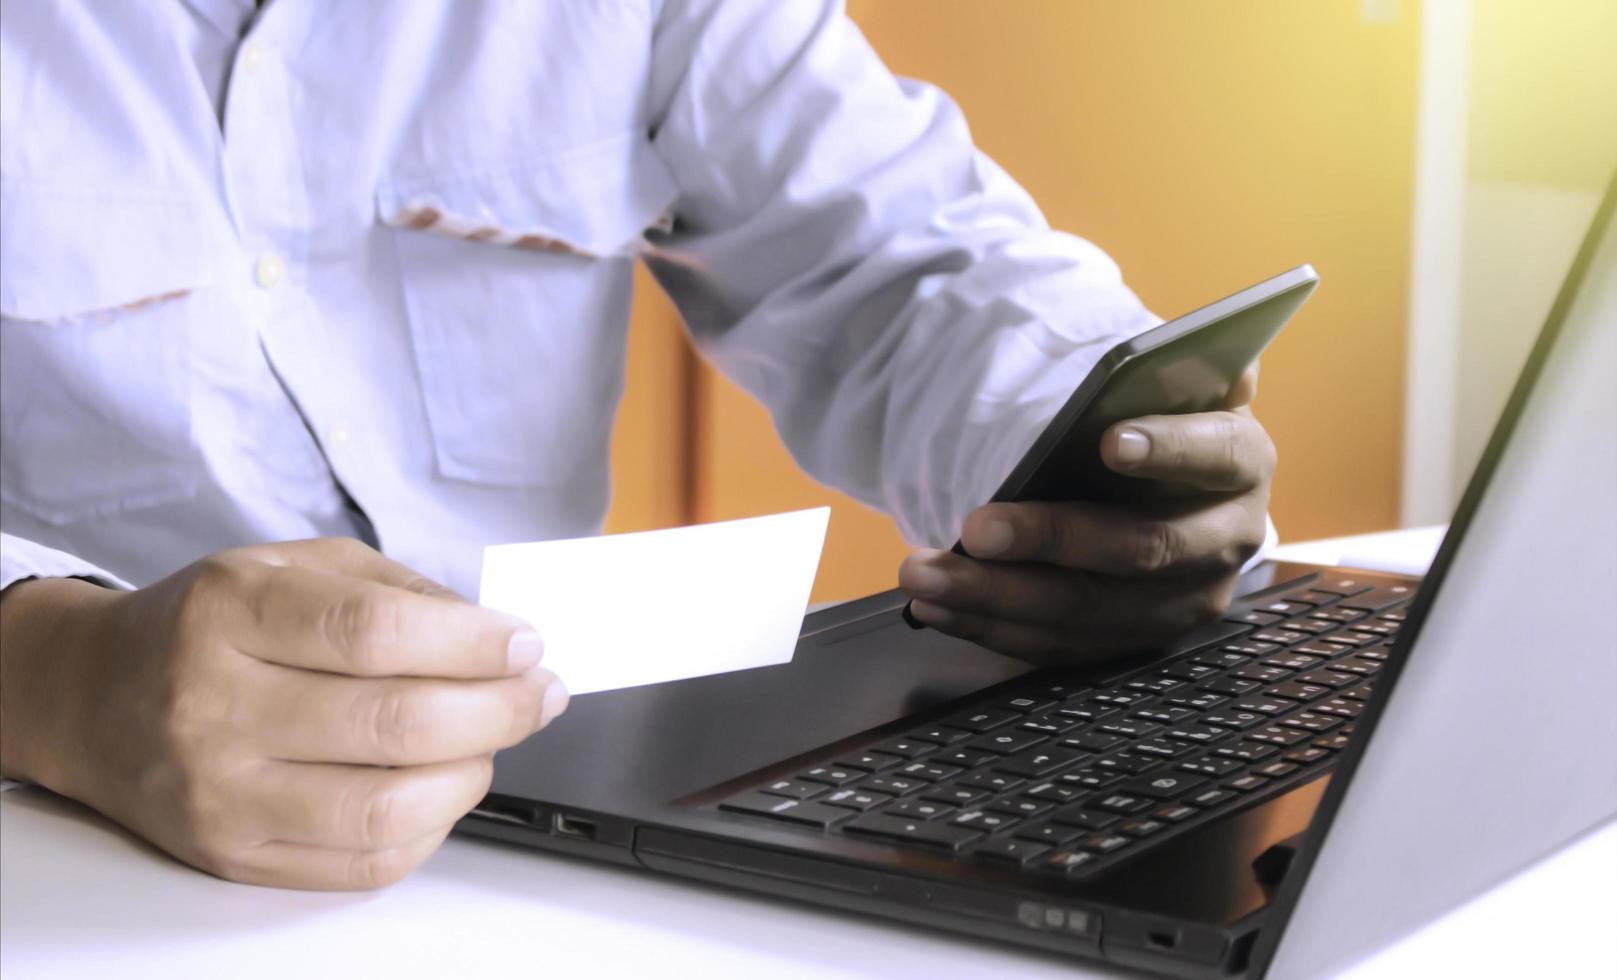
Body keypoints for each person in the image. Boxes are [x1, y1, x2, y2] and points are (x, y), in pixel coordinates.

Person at [0, 1, 1276, 890]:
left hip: (546, 847)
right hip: (61, 850)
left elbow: (893, 255)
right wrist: (47, 673)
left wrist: (1092, 447)